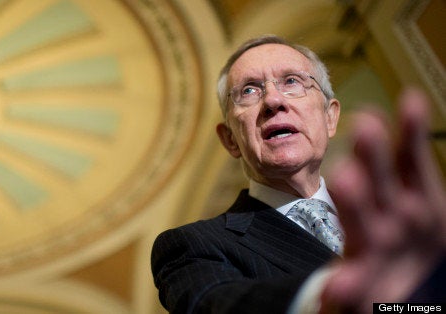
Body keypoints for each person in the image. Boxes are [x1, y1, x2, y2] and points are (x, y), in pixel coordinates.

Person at [150, 35, 446, 313]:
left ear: (330, 117)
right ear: (230, 139)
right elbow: (215, 303)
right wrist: (328, 294)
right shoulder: (192, 245)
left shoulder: (407, 217)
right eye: (249, 90)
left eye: (292, 81)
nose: (273, 101)